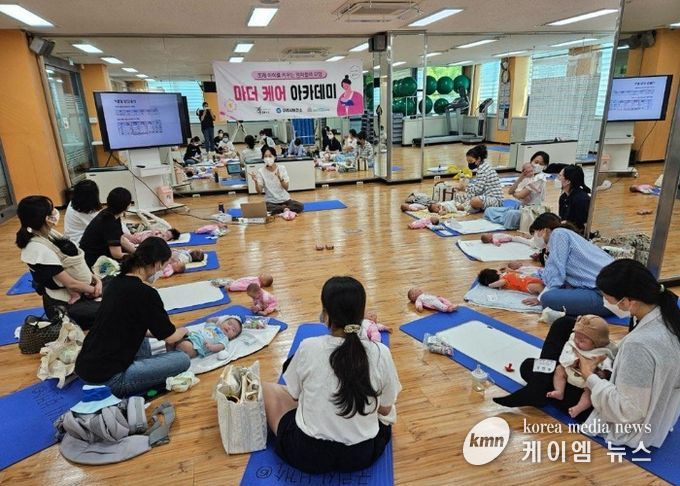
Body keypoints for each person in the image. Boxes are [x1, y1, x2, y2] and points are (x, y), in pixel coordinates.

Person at [496, 259, 680, 449]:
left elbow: (629, 412)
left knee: (529, 366)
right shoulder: (665, 308)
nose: (605, 302)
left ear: (627, 302)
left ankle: (539, 387)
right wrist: (604, 351)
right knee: (564, 324)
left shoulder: (639, 345)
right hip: (631, 387)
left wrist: (589, 374)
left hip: (622, 419)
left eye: (607, 297)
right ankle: (540, 384)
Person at [262, 276, 401, 474]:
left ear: (326, 315)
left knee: (268, 389)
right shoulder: (381, 353)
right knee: (387, 409)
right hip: (361, 456)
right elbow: (385, 410)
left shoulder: (308, 347)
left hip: (308, 454)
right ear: (361, 315)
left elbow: (294, 396)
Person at [75, 237, 190, 397]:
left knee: (140, 327)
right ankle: (139, 370)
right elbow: (170, 337)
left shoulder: (115, 282)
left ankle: (141, 366)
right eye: (164, 266)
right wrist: (184, 330)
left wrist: (160, 334)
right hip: (111, 380)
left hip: (84, 367)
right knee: (183, 360)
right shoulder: (146, 293)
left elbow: (130, 326)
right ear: (157, 264)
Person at [16, 195, 103, 329]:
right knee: (115, 308)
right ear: (46, 218)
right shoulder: (37, 249)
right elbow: (71, 284)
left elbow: (77, 265)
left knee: (119, 287)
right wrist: (96, 290)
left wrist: (97, 280)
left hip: (81, 289)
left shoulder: (49, 234)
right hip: (63, 304)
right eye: (52, 210)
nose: (55, 212)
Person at [524, 212, 613, 316]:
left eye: (535, 233)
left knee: (547, 298)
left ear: (545, 230)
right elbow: (554, 271)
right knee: (554, 291)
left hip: (606, 296)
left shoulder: (558, 234)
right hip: (609, 291)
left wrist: (540, 297)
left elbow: (556, 274)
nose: (534, 238)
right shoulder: (566, 236)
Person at [547, 314, 614, 418]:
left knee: (591, 391)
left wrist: (602, 373)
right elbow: (564, 356)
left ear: (596, 343)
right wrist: (571, 361)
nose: (577, 341)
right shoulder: (573, 344)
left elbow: (608, 368)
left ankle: (579, 407)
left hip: (587, 380)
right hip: (571, 372)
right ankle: (559, 391)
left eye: (582, 341)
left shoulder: (602, 353)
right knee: (559, 369)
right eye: (576, 337)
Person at [80, 187, 136, 267]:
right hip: (94, 261)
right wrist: (137, 257)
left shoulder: (109, 213)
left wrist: (136, 251)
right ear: (126, 206)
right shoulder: (110, 223)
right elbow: (116, 254)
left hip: (89, 254)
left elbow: (120, 239)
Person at [249, 148, 304, 215]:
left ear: (274, 157)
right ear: (263, 158)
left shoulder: (281, 168)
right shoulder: (261, 171)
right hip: (271, 202)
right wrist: (255, 182)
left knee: (300, 206)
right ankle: (284, 209)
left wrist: (280, 178)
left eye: (270, 156)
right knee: (264, 207)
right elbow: (259, 192)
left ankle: (281, 209)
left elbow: (286, 188)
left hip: (285, 200)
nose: (267, 158)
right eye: (265, 156)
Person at [451, 145, 503, 213]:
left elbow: (478, 190)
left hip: (495, 200)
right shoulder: (483, 167)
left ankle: (465, 207)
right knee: (467, 196)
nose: (469, 163)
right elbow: (478, 187)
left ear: (478, 159)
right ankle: (466, 206)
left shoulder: (482, 170)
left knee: (474, 200)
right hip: (486, 196)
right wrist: (466, 187)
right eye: (468, 161)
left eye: (470, 161)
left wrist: (464, 188)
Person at [174, 315, 242, 358]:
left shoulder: (225, 338)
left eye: (233, 330)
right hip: (191, 336)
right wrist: (218, 319)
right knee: (183, 330)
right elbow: (209, 320)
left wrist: (212, 347)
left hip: (197, 347)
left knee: (185, 345)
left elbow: (220, 346)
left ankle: (174, 353)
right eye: (229, 323)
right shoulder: (213, 326)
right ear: (222, 322)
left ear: (233, 337)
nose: (229, 328)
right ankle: (172, 345)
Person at [64, 179, 102, 245]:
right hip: (79, 242)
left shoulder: (74, 203)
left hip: (72, 238)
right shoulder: (85, 211)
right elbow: (101, 227)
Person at [557, 165, 591, 234]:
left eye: (560, 176)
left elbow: (583, 224)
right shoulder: (563, 197)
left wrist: (566, 224)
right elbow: (562, 217)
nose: (557, 178)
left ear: (568, 181)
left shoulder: (582, 200)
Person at [477, 268, 545, 295]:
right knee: (538, 287)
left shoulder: (506, 274)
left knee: (541, 283)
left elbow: (517, 273)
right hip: (526, 285)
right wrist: (490, 285)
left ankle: (546, 288)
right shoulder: (502, 280)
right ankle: (545, 296)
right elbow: (502, 282)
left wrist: (511, 270)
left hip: (529, 279)